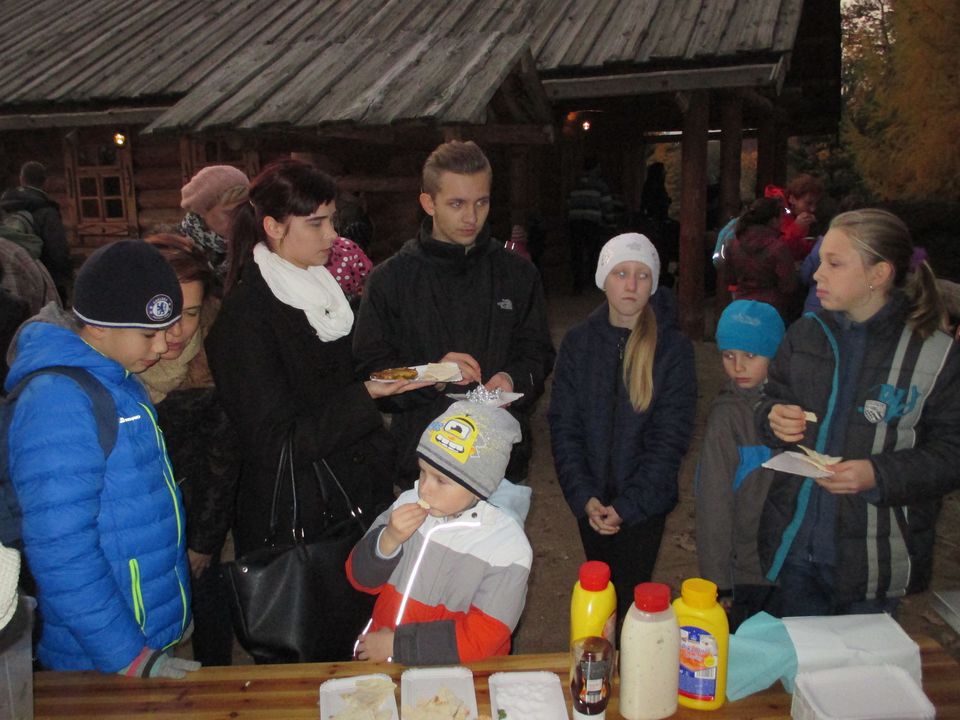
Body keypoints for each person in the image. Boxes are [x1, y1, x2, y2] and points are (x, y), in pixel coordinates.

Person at [205, 159, 423, 662]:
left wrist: (411, 375)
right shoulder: (245, 319)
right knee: (313, 658)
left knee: (367, 648)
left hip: (353, 502)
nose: (333, 235)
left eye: (332, 220)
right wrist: (365, 396)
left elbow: (340, 382)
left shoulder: (322, 293)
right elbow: (275, 442)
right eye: (317, 223)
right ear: (273, 227)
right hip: (297, 523)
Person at [4, 239, 198, 677]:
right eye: (148, 334)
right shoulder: (58, 401)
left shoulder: (116, 378)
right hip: (101, 656)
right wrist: (128, 656)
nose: (163, 346)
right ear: (98, 327)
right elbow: (62, 550)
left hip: (147, 630)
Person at [757, 208, 960, 617]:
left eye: (834, 264)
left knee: (863, 659)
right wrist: (773, 417)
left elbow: (952, 452)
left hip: (876, 559)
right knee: (800, 655)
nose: (817, 274)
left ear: (878, 274)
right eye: (820, 262)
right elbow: (769, 400)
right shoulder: (806, 334)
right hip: (797, 548)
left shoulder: (934, 355)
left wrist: (878, 475)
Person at [353, 140, 554, 486]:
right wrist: (435, 373)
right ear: (428, 203)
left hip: (500, 467)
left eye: (481, 202)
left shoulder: (518, 274)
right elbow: (372, 371)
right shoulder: (389, 280)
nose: (471, 217)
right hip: (421, 469)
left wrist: (512, 379)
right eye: (457, 204)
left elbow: (538, 352)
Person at [549, 233, 698, 625]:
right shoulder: (578, 343)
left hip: (643, 507)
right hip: (591, 501)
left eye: (642, 275)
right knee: (599, 599)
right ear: (604, 279)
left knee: (632, 599)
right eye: (620, 273)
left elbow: (670, 439)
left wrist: (629, 506)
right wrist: (583, 495)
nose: (631, 285)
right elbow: (564, 426)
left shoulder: (673, 350)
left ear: (653, 283)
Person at [348, 400, 532, 664]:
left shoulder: (506, 548)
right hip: (380, 658)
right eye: (423, 472)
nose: (424, 489)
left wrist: (396, 645)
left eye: (441, 480)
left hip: (453, 674)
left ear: (479, 486)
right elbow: (359, 579)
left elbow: (485, 636)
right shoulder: (405, 504)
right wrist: (388, 540)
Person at [138, 233, 238, 666]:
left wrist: (203, 542)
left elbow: (223, 460)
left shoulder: (216, 356)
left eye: (192, 313)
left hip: (200, 526)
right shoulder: (117, 368)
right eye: (169, 313)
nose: (178, 330)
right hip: (139, 538)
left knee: (210, 629)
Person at [695, 300, 785, 631]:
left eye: (750, 355)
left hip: (791, 565)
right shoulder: (726, 417)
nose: (738, 367)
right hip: (746, 570)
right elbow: (713, 502)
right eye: (728, 355)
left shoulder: (796, 408)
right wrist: (718, 581)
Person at [0, 161, 72, 301]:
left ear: (21, 179)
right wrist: (65, 282)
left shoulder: (4, 207)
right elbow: (58, 251)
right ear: (45, 182)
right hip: (44, 279)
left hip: (8, 279)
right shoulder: (47, 210)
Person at [727, 197, 799, 321]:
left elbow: (729, 275)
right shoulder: (778, 247)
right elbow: (788, 286)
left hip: (741, 304)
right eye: (781, 217)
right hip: (772, 308)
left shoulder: (734, 242)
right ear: (773, 221)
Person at [179, 165, 250, 284]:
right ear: (202, 211)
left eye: (243, 212)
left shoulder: (254, 248)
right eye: (230, 213)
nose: (238, 219)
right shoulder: (177, 251)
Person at [567, 156, 614, 294]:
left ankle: (577, 284)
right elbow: (607, 206)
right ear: (596, 168)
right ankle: (593, 282)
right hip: (592, 223)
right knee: (593, 252)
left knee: (577, 253)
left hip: (575, 222)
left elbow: (568, 203)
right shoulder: (600, 185)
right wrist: (611, 223)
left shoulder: (575, 185)